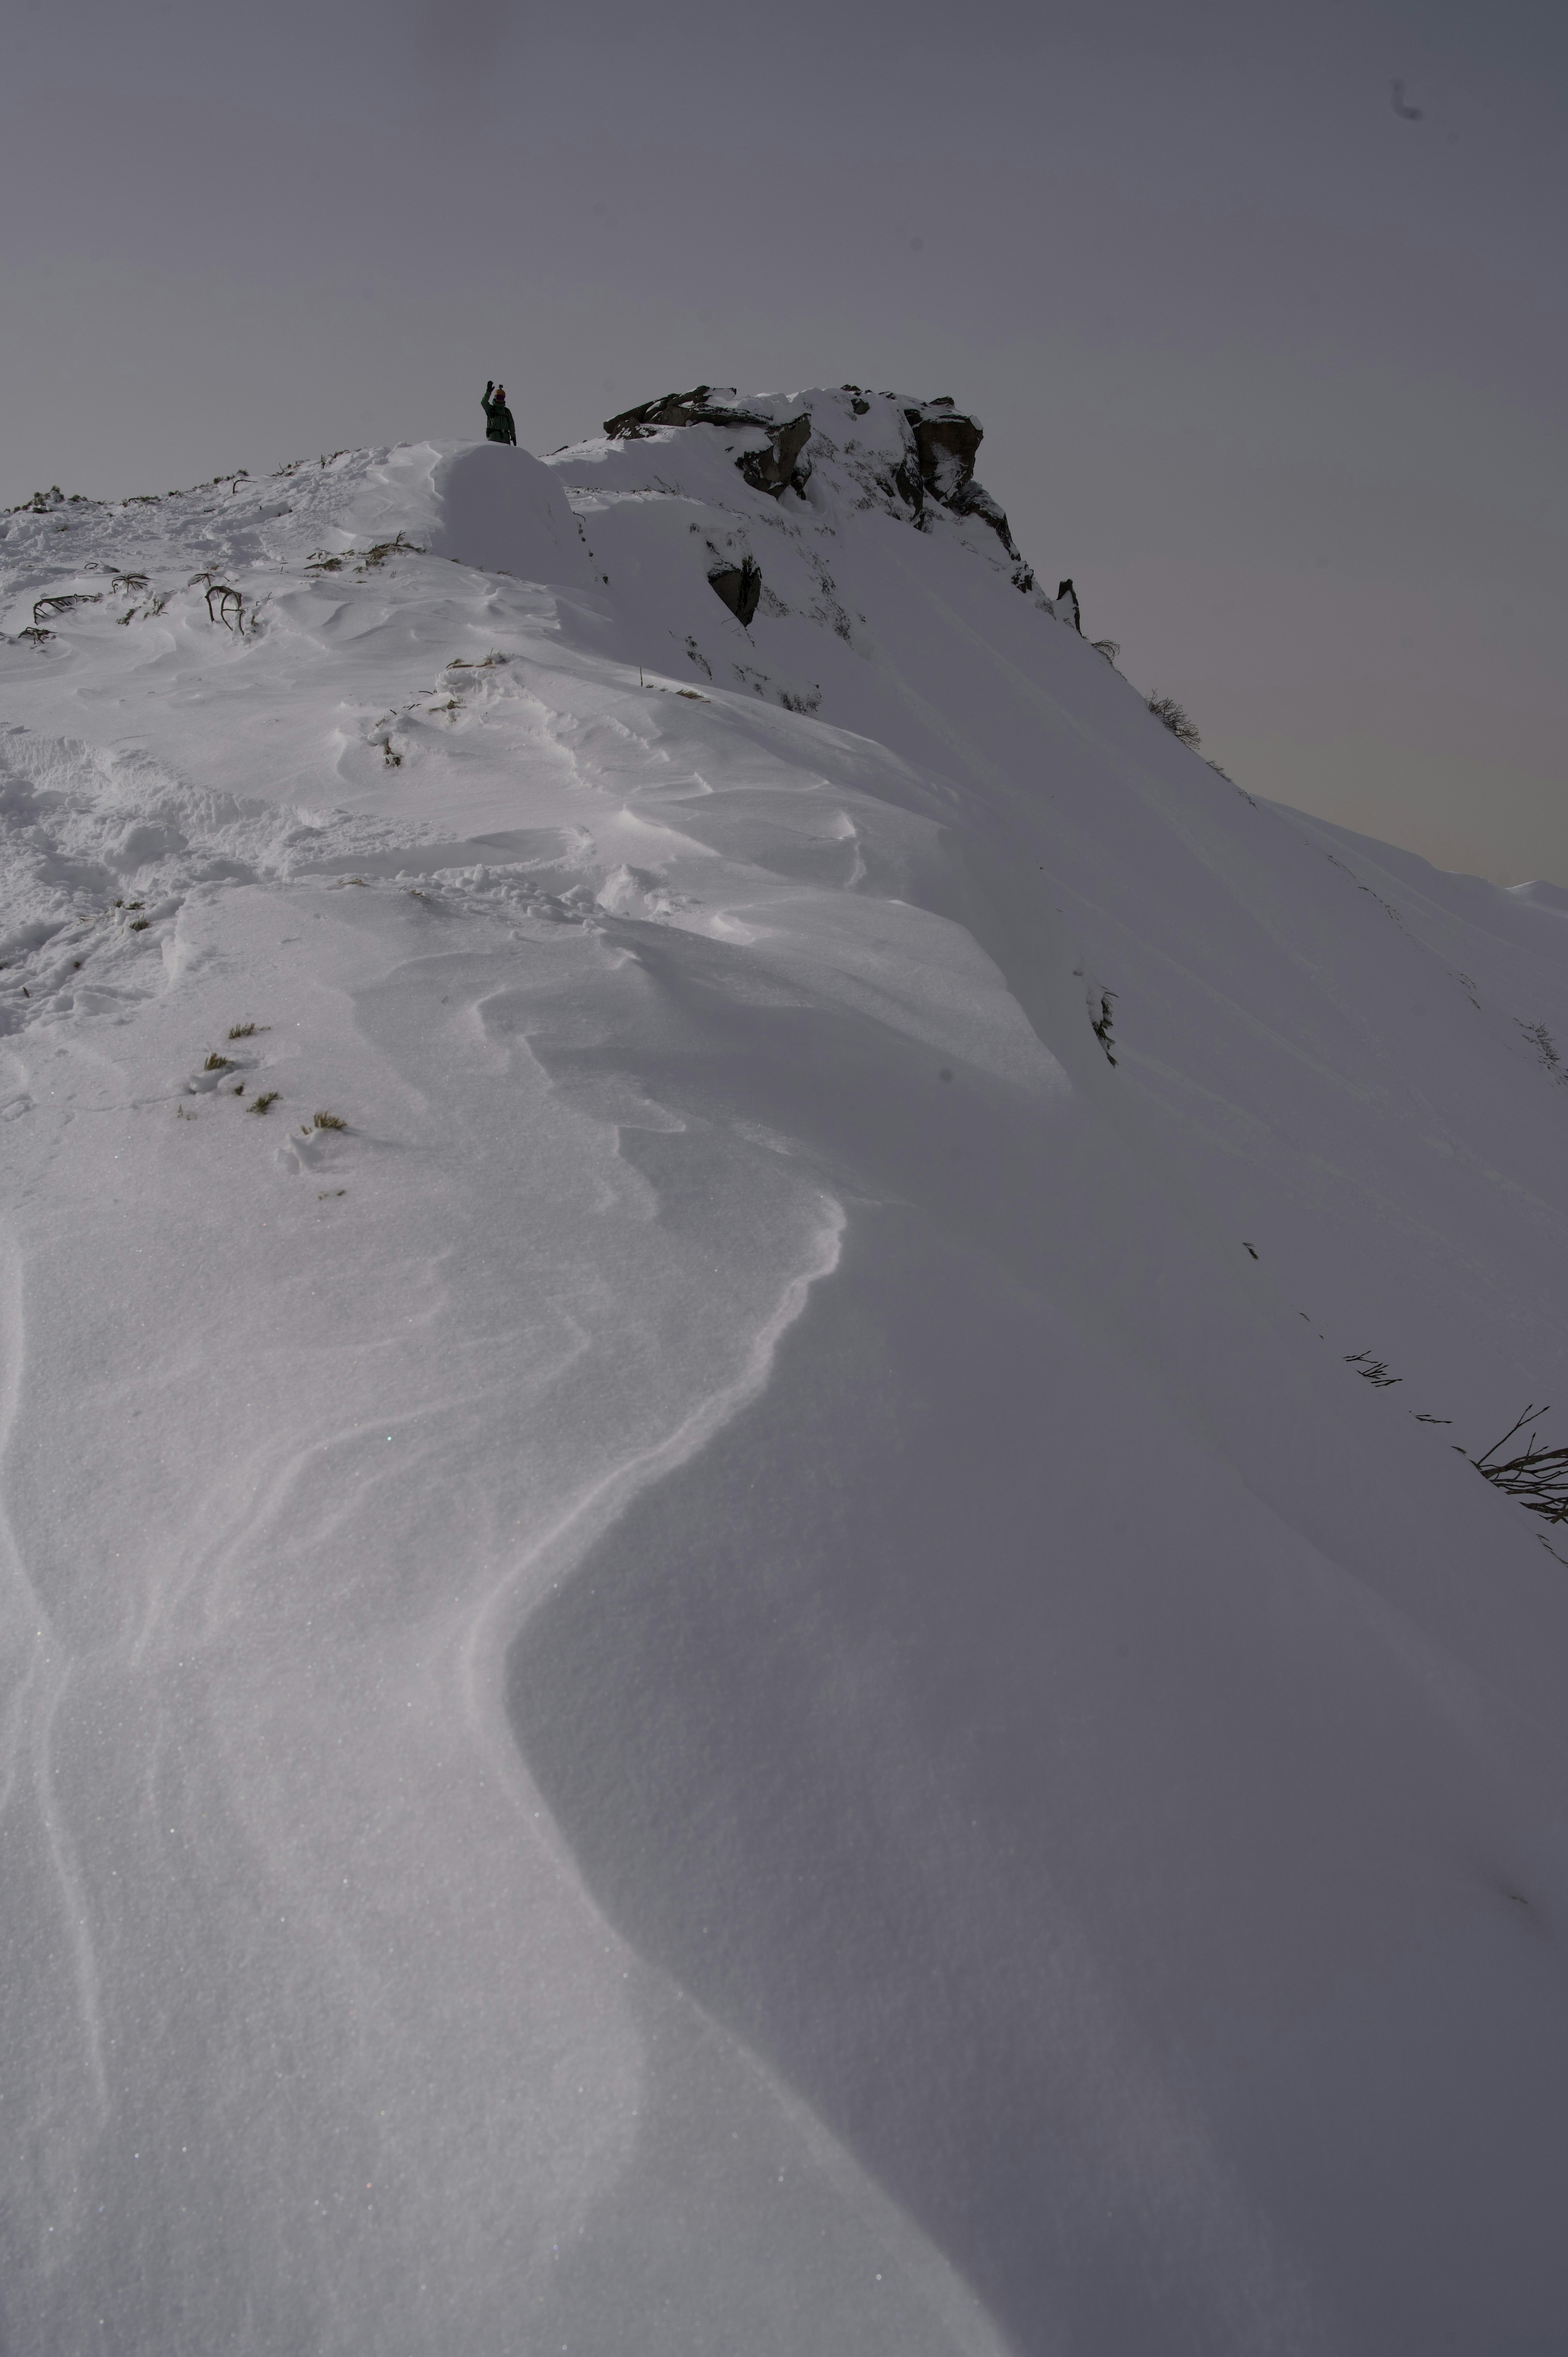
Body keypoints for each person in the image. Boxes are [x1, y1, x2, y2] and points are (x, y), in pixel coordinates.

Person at [482, 381, 517, 446]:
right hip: (493, 438)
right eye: (499, 398)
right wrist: (488, 392)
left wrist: (513, 436)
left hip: (505, 439)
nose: (500, 400)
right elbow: (484, 403)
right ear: (495, 397)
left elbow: (511, 425)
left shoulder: (507, 411)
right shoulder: (491, 409)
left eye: (502, 398)